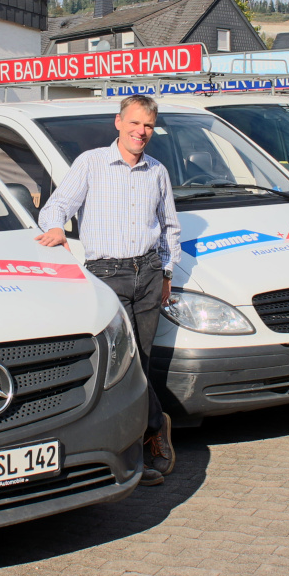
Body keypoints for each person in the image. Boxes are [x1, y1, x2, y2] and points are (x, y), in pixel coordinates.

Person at [35, 94, 182, 485]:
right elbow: (56, 207)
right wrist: (55, 229)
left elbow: (169, 227)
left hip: (148, 273)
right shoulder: (91, 163)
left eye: (148, 126)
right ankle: (150, 433)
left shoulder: (157, 171)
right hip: (106, 275)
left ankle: (144, 444)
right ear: (118, 122)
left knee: (143, 361)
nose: (141, 132)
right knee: (122, 365)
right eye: (134, 123)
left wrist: (166, 273)